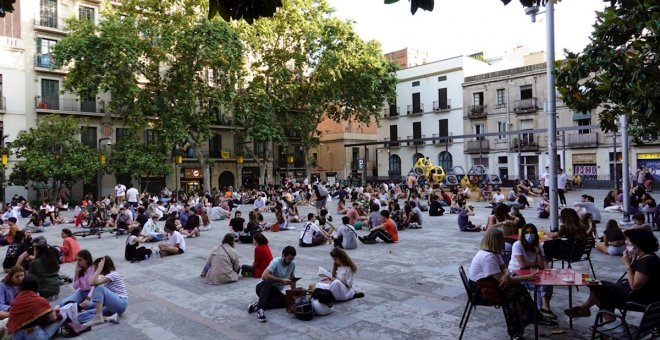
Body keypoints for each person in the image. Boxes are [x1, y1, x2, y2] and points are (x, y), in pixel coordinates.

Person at [468, 228, 556, 339]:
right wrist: (527, 277)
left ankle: (532, 318)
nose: (503, 240)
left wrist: (506, 274)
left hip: (490, 285)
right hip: (481, 292)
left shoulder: (494, 253)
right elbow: (503, 280)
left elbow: (505, 269)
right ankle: (517, 329)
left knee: (519, 289)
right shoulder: (487, 257)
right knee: (513, 296)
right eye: (501, 238)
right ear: (496, 240)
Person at [565, 227, 660, 319]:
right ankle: (588, 309)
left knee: (600, 286)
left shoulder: (647, 261)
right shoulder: (642, 256)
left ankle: (598, 315)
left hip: (639, 299)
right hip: (634, 294)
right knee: (599, 287)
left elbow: (635, 286)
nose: (627, 247)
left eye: (629, 244)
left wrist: (627, 264)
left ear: (639, 245)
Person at [508, 224, 556, 320]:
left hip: (531, 273)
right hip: (516, 274)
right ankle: (542, 311)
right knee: (539, 285)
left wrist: (538, 252)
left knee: (546, 281)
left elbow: (541, 266)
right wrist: (536, 263)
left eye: (532, 232)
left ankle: (544, 307)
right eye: (527, 232)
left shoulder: (538, 246)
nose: (529, 235)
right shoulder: (518, 245)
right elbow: (522, 265)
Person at [248, 246, 298, 323]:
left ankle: (256, 306)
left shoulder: (292, 264)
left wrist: (293, 294)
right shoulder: (276, 262)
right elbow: (264, 275)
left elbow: (292, 279)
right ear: (283, 256)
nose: (290, 261)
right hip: (263, 288)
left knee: (288, 301)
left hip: (275, 291)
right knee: (268, 280)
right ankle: (260, 310)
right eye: (289, 259)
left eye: (292, 259)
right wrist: (281, 280)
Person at [7, 274, 66, 339]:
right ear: (37, 286)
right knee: (64, 315)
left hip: (16, 335)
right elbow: (53, 318)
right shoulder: (39, 300)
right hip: (34, 335)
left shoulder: (16, 299)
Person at [77, 256, 126, 326]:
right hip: (111, 306)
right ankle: (109, 318)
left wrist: (99, 268)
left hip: (121, 304)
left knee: (98, 287)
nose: (95, 271)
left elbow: (92, 283)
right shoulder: (105, 277)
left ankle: (98, 317)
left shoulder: (113, 274)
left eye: (96, 269)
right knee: (80, 316)